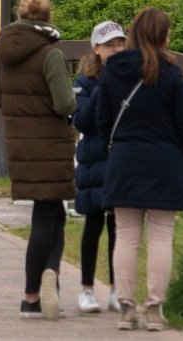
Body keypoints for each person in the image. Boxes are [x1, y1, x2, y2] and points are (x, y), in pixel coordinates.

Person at [95, 7, 183, 332]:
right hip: (165, 161)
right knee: (160, 237)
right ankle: (154, 309)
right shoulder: (171, 72)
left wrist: (115, 145)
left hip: (125, 158)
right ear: (163, 36)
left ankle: (125, 307)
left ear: (134, 33)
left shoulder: (114, 70)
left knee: (125, 236)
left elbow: (101, 118)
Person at [0, 0, 76, 320]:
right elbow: (64, 103)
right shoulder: (50, 54)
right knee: (47, 217)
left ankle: (40, 287)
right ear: (48, 17)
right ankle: (34, 292)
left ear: (20, 15)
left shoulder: (3, 52)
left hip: (21, 145)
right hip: (50, 144)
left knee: (51, 213)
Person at [72, 20, 126, 315]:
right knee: (93, 224)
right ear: (96, 48)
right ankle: (87, 289)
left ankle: (118, 289)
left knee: (119, 227)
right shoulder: (85, 80)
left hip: (120, 160)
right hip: (94, 160)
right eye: (109, 45)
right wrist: (105, 88)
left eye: (120, 44)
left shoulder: (130, 77)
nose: (116, 50)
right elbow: (80, 120)